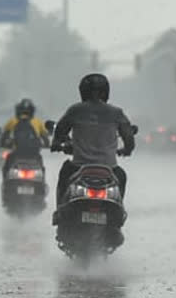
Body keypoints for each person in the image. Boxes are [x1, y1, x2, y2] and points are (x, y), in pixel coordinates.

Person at [51, 73, 135, 213]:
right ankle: (118, 213)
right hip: (110, 168)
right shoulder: (116, 113)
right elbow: (129, 139)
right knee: (122, 176)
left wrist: (57, 144)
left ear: (83, 91)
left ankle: (59, 212)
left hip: (78, 167)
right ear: (106, 91)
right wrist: (127, 150)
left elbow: (60, 131)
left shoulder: (75, 110)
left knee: (65, 173)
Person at [0, 98, 50, 176]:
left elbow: (4, 136)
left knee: (7, 164)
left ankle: (5, 182)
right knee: (41, 165)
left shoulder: (12, 121)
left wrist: (3, 144)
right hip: (34, 153)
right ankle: (42, 183)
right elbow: (45, 138)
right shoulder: (37, 122)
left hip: (17, 152)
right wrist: (47, 145)